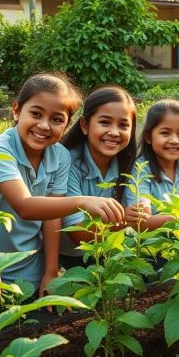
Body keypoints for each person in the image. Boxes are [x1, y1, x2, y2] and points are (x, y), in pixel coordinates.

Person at [0, 73, 125, 299]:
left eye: (57, 119)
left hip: (33, 266)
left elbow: (52, 216)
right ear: (17, 110)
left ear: (68, 124)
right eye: (36, 114)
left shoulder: (59, 155)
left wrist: (50, 272)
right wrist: (83, 201)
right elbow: (25, 206)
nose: (44, 125)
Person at [59, 86, 149, 269]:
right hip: (69, 257)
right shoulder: (68, 162)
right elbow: (77, 233)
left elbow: (139, 209)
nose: (114, 132)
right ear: (85, 125)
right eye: (105, 122)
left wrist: (142, 207)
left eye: (123, 125)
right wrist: (124, 219)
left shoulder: (129, 163)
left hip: (110, 251)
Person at [126, 100, 179, 229]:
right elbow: (142, 221)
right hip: (151, 245)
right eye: (165, 133)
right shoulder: (140, 171)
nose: (174, 140)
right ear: (148, 137)